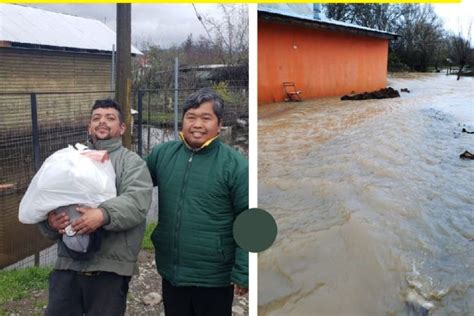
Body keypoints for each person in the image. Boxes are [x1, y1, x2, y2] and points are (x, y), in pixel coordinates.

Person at [39, 99, 153, 315]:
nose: (102, 122)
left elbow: (136, 202)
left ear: (122, 128)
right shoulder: (70, 160)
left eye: (110, 118)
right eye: (96, 118)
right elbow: (49, 199)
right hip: (67, 265)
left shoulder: (132, 163)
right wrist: (49, 222)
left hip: (110, 266)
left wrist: (103, 214)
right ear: (88, 126)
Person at [145, 88, 249, 316]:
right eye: (191, 117)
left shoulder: (235, 165)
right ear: (182, 121)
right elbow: (131, 183)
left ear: (219, 124)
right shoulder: (162, 155)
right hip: (172, 271)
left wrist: (244, 271)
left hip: (214, 278)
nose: (197, 124)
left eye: (206, 118)